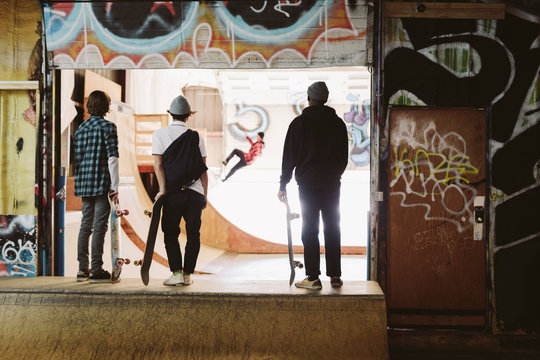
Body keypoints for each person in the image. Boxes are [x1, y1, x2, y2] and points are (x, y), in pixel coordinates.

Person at [277, 81, 348, 290]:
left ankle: (313, 277)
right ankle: (335, 275)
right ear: (326, 99)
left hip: (307, 184)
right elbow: (343, 156)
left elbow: (289, 156)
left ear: (309, 98)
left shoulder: (299, 124)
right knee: (333, 226)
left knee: (310, 228)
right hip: (332, 183)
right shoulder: (338, 123)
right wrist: (334, 174)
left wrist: (283, 183)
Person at [152, 95, 208, 286]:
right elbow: (203, 170)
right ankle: (187, 275)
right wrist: (205, 195)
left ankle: (176, 273)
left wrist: (162, 190)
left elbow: (158, 165)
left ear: (171, 114)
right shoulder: (196, 137)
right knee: (193, 234)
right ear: (188, 116)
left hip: (173, 194)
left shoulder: (159, 134)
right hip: (195, 194)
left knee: (170, 233)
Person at [74, 90, 119, 283]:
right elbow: (113, 158)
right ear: (106, 106)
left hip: (85, 183)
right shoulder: (109, 127)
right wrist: (115, 185)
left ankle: (83, 269)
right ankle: (97, 269)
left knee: (86, 225)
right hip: (101, 184)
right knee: (100, 226)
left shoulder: (80, 129)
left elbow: (79, 159)